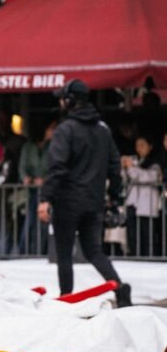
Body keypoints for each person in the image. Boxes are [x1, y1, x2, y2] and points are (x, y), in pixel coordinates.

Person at [38, 79, 131, 307]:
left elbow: (56, 168)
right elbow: (114, 166)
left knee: (64, 254)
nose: (60, 102)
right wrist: (116, 197)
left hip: (67, 201)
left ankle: (66, 299)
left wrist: (45, 199)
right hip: (94, 201)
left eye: (63, 98)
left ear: (70, 101)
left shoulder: (66, 130)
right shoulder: (103, 129)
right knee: (94, 251)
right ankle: (118, 287)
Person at [122, 135, 163, 256]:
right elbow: (125, 178)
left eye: (142, 145)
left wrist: (131, 168)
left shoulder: (155, 163)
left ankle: (148, 257)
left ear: (150, 147)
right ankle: (134, 255)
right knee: (132, 234)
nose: (139, 148)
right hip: (132, 202)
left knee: (147, 234)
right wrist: (124, 166)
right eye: (137, 145)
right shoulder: (134, 160)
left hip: (147, 204)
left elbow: (146, 177)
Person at [18, 121, 53, 254]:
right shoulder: (28, 147)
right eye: (51, 128)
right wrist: (26, 178)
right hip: (31, 191)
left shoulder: (53, 146)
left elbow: (56, 168)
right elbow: (22, 167)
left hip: (47, 190)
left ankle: (42, 251)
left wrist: (45, 180)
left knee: (44, 224)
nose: (53, 132)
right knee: (29, 222)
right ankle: (24, 251)